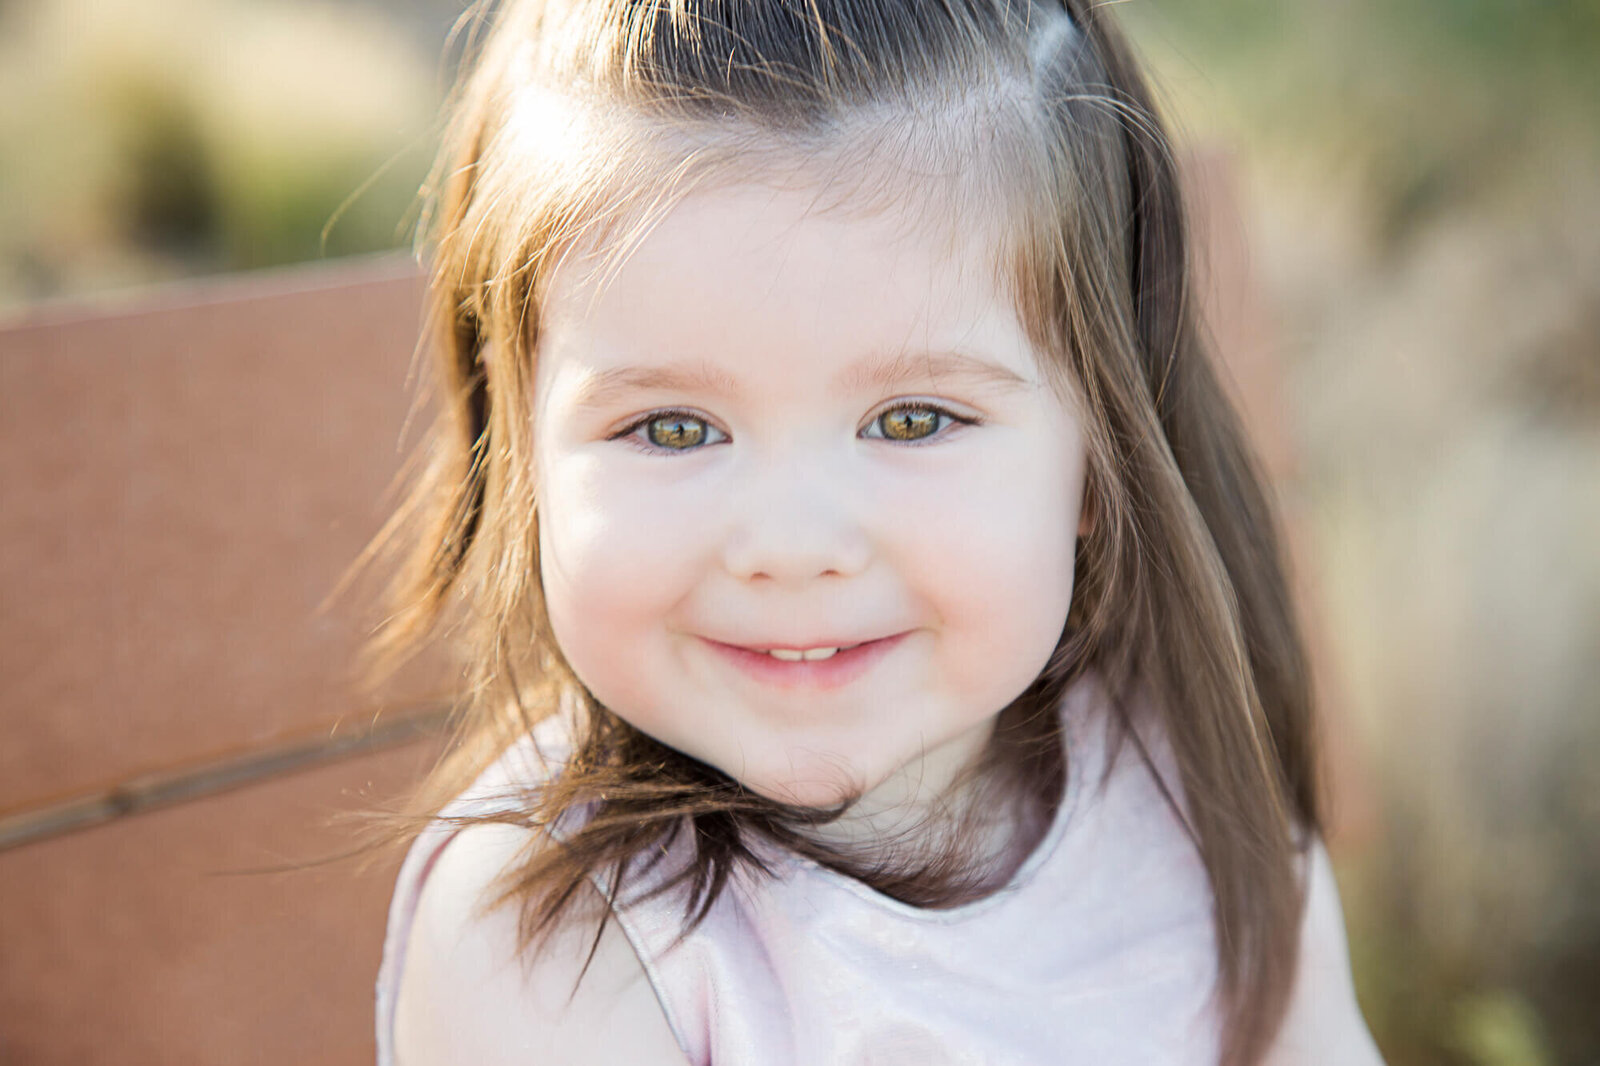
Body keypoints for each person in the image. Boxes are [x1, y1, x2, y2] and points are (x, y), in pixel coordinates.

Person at [371, 0, 1384, 1062]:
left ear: (1100, 443)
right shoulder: (551, 936)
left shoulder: (1178, 775)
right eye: (671, 428)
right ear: (520, 444)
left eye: (911, 420)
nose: (792, 543)